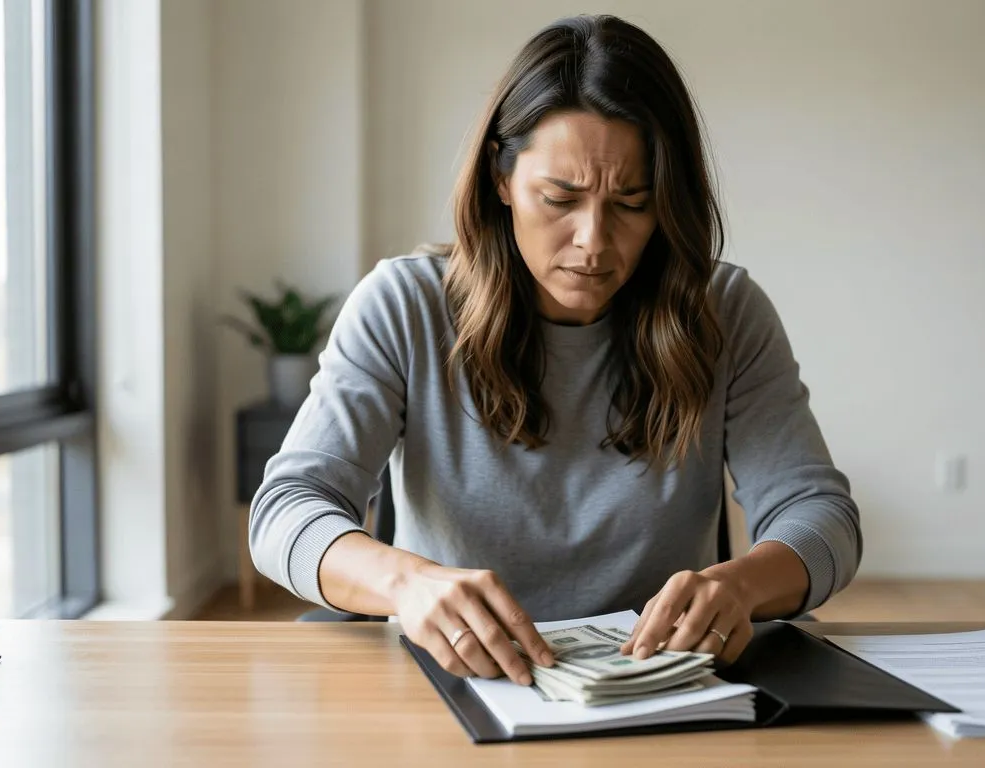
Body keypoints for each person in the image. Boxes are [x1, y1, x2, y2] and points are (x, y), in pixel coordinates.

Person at [249, 14, 861, 687]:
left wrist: (741, 586)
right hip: (457, 686)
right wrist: (405, 582)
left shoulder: (725, 313)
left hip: (657, 691)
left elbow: (821, 515)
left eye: (632, 202)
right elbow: (287, 508)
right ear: (501, 180)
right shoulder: (403, 305)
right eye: (560, 198)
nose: (594, 241)